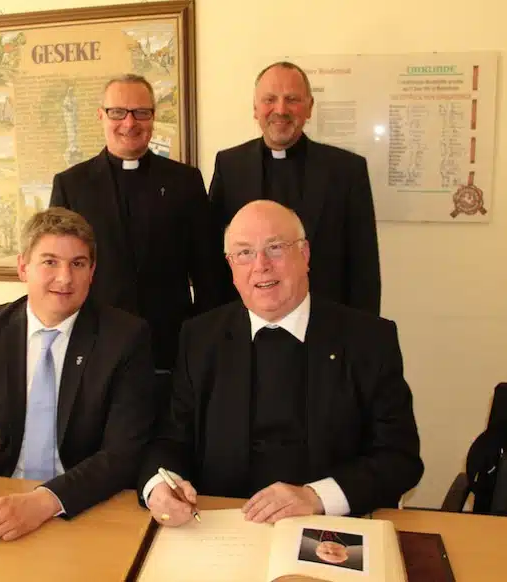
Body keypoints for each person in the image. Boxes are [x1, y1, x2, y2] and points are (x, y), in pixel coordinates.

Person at [139, 200, 422, 526]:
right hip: (222, 526)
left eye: (275, 248)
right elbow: (170, 439)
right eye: (244, 253)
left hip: (330, 527)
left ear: (304, 255)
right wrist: (160, 486)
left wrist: (316, 497)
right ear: (231, 267)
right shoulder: (200, 337)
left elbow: (399, 458)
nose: (260, 265)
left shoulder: (368, 339)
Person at [0, 208, 155, 541]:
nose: (65, 278)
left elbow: (123, 454)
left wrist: (45, 501)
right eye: (49, 262)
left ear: (92, 272)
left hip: (85, 505)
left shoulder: (125, 338)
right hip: (1, 495)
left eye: (78, 264)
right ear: (22, 267)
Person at [50, 74, 223, 398]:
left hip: (169, 348)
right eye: (118, 112)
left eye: (141, 112)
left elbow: (207, 273)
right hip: (95, 348)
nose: (130, 123)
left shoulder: (185, 181)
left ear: (153, 117)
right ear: (101, 115)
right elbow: (60, 273)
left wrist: (203, 343)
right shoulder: (72, 185)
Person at [209, 61, 381, 314]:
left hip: (326, 323)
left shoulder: (346, 171)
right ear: (255, 109)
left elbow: (363, 266)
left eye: (292, 99)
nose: (281, 109)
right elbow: (215, 258)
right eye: (270, 99)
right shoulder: (230, 166)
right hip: (247, 324)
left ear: (309, 107)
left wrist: (365, 337)